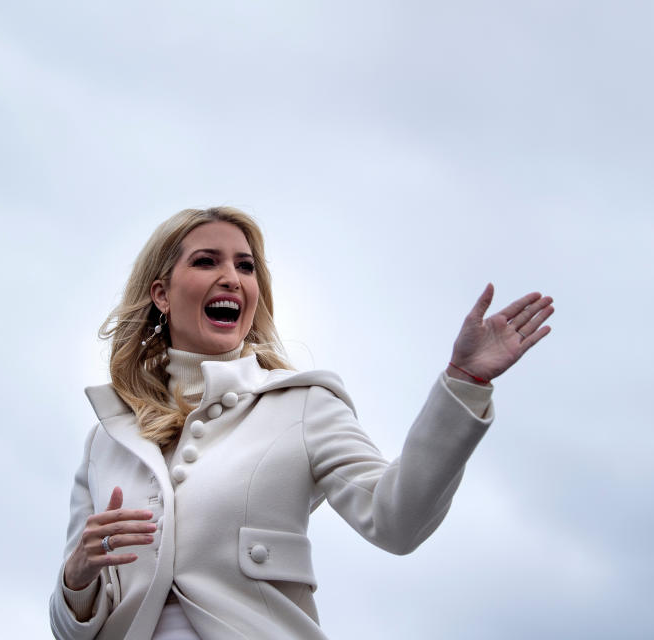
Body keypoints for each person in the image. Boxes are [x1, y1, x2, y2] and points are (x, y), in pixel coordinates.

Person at [49, 206, 553, 640]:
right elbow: (72, 629)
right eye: (207, 261)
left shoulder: (302, 405)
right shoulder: (108, 440)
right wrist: (77, 574)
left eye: (246, 266)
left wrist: (463, 383)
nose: (232, 277)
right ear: (161, 293)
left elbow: (396, 520)